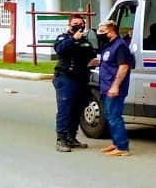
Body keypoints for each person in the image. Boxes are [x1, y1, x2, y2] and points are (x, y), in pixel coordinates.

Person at [52, 14, 97, 152]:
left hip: (82, 79)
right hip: (66, 78)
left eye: (80, 23)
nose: (78, 25)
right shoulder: (63, 38)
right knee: (65, 110)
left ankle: (71, 137)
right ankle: (61, 139)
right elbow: (60, 49)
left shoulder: (86, 40)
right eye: (75, 23)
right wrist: (73, 39)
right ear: (69, 25)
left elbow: (91, 54)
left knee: (77, 110)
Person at [97, 20, 133, 156]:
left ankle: (122, 147)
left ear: (110, 31)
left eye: (102, 31)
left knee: (114, 116)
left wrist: (115, 86)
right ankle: (116, 143)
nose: (99, 34)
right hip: (106, 86)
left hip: (114, 88)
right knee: (109, 115)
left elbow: (123, 67)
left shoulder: (120, 46)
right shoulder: (109, 45)